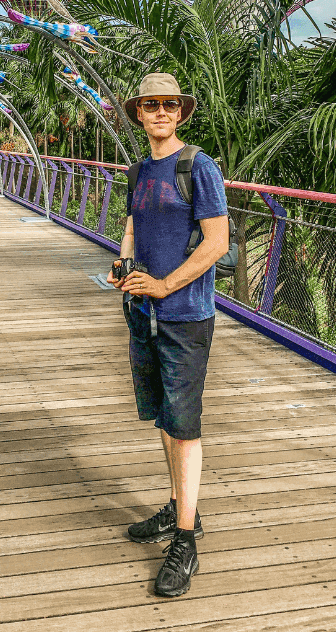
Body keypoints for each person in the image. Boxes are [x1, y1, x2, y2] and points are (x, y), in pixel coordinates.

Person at [109, 72, 229, 597]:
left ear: (180, 112)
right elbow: (134, 223)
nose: (161, 112)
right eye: (151, 105)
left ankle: (186, 539)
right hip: (145, 312)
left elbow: (217, 242)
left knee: (184, 426)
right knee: (163, 415)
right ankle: (183, 507)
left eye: (169, 105)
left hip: (184, 315)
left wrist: (164, 285)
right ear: (139, 113)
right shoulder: (139, 170)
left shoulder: (198, 166)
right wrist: (125, 262)